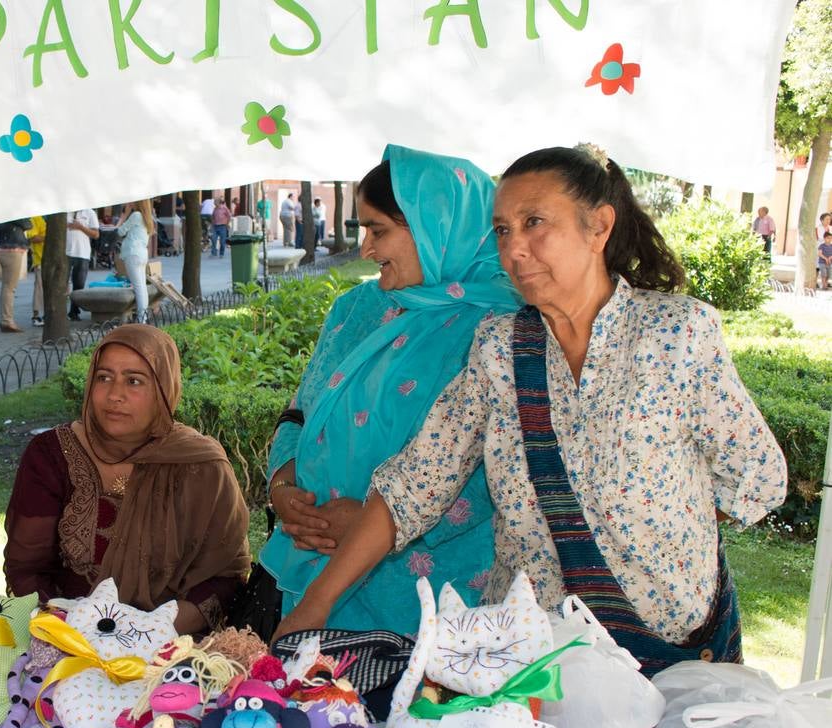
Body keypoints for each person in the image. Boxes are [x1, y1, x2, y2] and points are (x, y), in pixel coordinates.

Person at [282, 146, 787, 676]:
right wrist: (316, 605)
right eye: (502, 230)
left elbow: (757, 476)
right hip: (537, 655)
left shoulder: (675, 334)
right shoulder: (500, 348)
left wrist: (658, 533)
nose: (515, 249)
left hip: (672, 648)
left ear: (599, 228)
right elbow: (414, 485)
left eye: (534, 223)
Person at [262, 147, 521, 635]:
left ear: (436, 225)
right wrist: (283, 485)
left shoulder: (502, 329)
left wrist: (372, 525)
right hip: (313, 574)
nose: (365, 250)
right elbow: (301, 409)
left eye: (378, 230)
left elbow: (507, 476)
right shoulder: (356, 309)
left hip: (435, 595)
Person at [4, 325, 251, 634]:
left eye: (134, 381)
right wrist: (75, 634)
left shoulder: (202, 466)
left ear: (163, 389)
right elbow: (26, 570)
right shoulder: (52, 456)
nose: (114, 395)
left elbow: (224, 578)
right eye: (103, 377)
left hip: (171, 644)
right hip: (66, 640)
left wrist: (150, 633)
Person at [117, 200, 154, 323]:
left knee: (139, 288)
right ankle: (143, 318)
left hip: (133, 253)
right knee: (142, 287)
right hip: (142, 254)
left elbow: (120, 231)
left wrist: (124, 215)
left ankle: (141, 320)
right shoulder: (147, 217)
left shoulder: (136, 215)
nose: (130, 202)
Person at [0, 218, 32, 333]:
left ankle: (5, 319)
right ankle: (7, 321)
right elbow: (28, 224)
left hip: (3, 249)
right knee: (9, 287)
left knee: (6, 286)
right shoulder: (13, 213)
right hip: (12, 251)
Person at [66, 208, 100, 320]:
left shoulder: (90, 212)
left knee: (78, 285)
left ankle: (74, 312)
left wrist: (80, 227)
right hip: (65, 253)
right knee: (61, 284)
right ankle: (59, 313)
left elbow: (96, 234)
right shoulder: (65, 211)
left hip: (82, 252)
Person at [27, 214, 47, 327]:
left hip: (49, 259)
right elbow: (33, 238)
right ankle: (37, 315)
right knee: (39, 288)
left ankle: (43, 314)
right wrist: (50, 236)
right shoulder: (35, 218)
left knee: (43, 288)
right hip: (40, 259)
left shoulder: (45, 218)